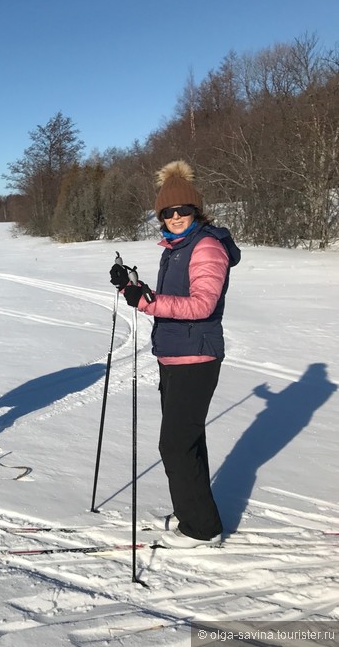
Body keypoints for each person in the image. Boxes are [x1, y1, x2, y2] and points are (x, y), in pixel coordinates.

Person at [110, 160, 241, 548]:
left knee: (175, 444)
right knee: (187, 441)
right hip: (175, 356)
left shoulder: (207, 247)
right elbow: (171, 299)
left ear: (195, 210)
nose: (176, 216)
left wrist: (147, 302)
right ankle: (195, 514)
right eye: (168, 212)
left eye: (183, 210)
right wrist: (132, 288)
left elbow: (201, 305)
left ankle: (201, 529)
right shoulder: (176, 247)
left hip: (196, 359)